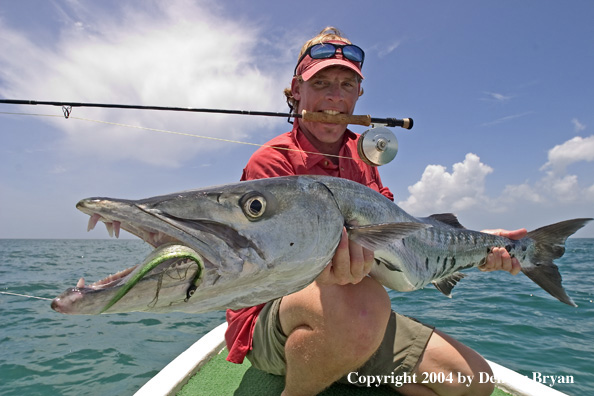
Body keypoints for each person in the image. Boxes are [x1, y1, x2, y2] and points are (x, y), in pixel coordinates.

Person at [225, 27, 526, 396]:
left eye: (346, 85)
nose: (334, 98)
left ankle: (343, 355)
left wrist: (481, 247)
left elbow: (403, 236)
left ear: (359, 95)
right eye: (320, 84)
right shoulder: (271, 163)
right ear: (296, 91)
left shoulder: (363, 156)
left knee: (474, 382)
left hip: (356, 314)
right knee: (364, 304)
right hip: (277, 322)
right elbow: (267, 272)